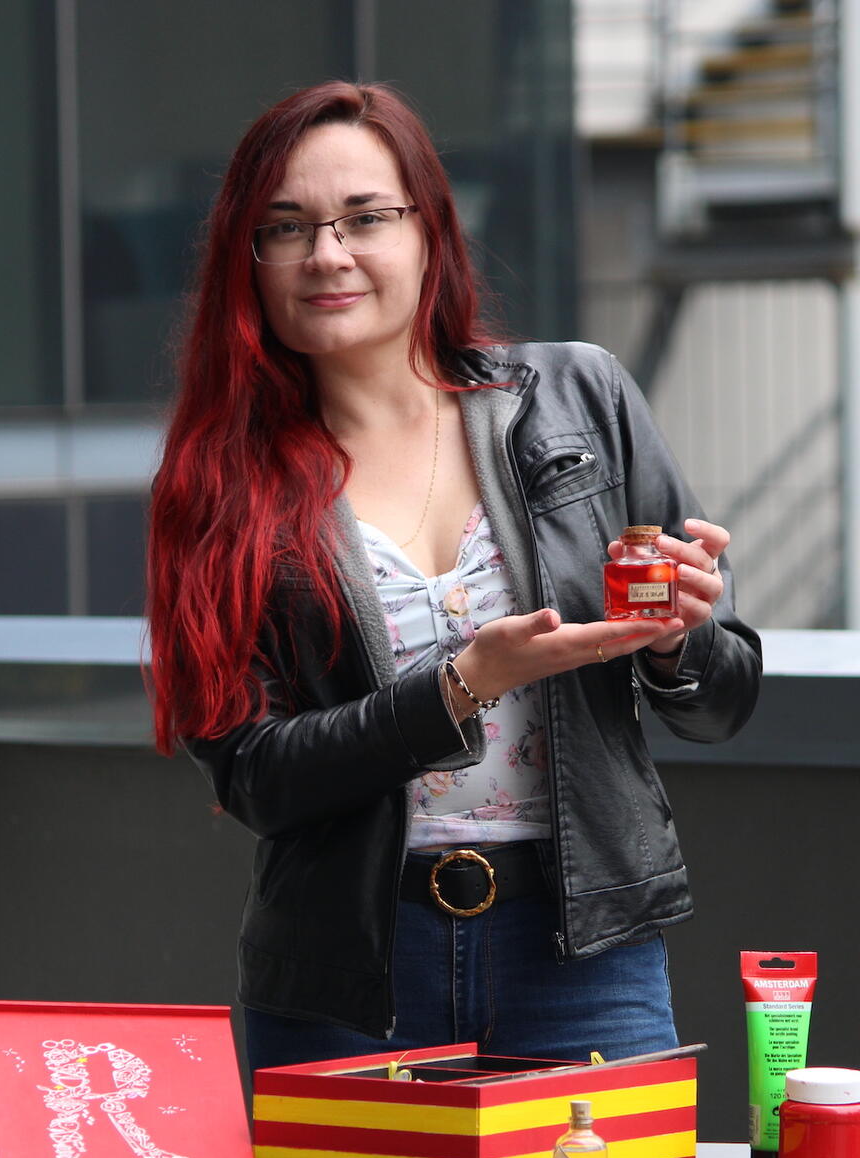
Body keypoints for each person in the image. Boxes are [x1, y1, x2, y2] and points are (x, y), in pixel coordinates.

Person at [145, 81, 761, 1076]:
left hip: (581, 952)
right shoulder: (220, 483)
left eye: (364, 218)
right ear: (248, 262)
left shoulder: (577, 397)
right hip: (347, 973)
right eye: (286, 227)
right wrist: (460, 686)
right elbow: (256, 777)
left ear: (429, 229)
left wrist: (677, 638)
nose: (328, 254)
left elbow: (722, 699)